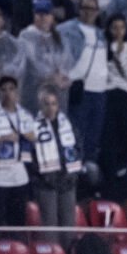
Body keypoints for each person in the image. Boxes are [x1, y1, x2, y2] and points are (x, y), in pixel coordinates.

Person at [0, 76, 37, 228]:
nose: (7, 93)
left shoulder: (26, 115)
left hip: (20, 177)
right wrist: (0, 140)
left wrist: (27, 137)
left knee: (18, 223)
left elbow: (36, 141)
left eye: (11, 89)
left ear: (17, 92)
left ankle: (17, 250)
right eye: (3, 90)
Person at [58, 0, 109, 164]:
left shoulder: (101, 34)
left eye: (92, 9)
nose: (88, 12)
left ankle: (89, 171)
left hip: (100, 91)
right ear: (79, 9)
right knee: (76, 133)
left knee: (94, 135)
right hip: (81, 89)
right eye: (85, 8)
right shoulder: (67, 29)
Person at [33, 86, 83, 239]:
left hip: (67, 182)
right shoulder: (33, 127)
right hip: (46, 184)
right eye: (46, 103)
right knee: (49, 229)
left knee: (68, 228)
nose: (50, 107)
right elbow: (31, 157)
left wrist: (73, 174)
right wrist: (42, 177)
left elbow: (78, 149)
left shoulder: (68, 125)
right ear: (41, 106)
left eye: (53, 103)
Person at [102, 13, 127, 177]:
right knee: (109, 132)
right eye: (114, 28)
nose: (118, 31)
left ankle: (126, 165)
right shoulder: (104, 46)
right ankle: (109, 168)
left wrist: (118, 54)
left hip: (124, 92)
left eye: (121, 27)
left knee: (125, 130)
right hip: (108, 91)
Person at [20, 0, 74, 111]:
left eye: (46, 14)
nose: (43, 17)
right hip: (33, 92)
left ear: (52, 17)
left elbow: (67, 61)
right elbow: (34, 63)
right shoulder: (27, 36)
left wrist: (64, 76)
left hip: (56, 94)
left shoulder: (60, 39)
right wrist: (51, 76)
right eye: (39, 14)